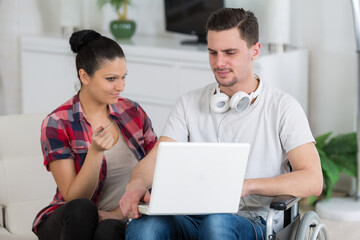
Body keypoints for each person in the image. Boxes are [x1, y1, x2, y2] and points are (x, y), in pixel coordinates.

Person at [120, 8, 323, 240]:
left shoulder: (283, 107)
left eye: (229, 52)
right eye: (213, 52)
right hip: (190, 214)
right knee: (145, 227)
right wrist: (136, 184)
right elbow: (156, 159)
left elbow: (313, 180)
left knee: (216, 223)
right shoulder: (188, 103)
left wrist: (247, 186)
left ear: (254, 50)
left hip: (253, 220)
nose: (219, 62)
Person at [31, 29, 157, 240]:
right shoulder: (57, 122)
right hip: (71, 221)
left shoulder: (133, 112)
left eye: (123, 77)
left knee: (109, 229)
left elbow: (158, 167)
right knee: (82, 208)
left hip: (118, 220)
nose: (121, 86)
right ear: (84, 76)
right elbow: (74, 198)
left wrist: (117, 214)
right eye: (111, 79)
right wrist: (95, 153)